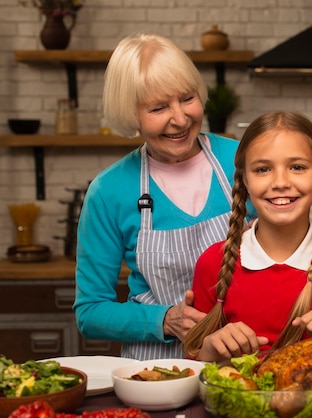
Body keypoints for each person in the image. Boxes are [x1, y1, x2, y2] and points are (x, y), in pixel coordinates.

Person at [73, 33, 243, 360]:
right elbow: (90, 311)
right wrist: (164, 320)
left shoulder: (242, 162)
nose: (179, 119)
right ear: (131, 114)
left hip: (246, 358)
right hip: (157, 370)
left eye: (187, 98)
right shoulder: (109, 191)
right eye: (158, 107)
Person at [183, 111, 312, 362]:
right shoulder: (213, 263)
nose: (280, 182)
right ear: (245, 180)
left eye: (297, 167)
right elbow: (193, 366)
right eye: (263, 169)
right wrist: (209, 351)